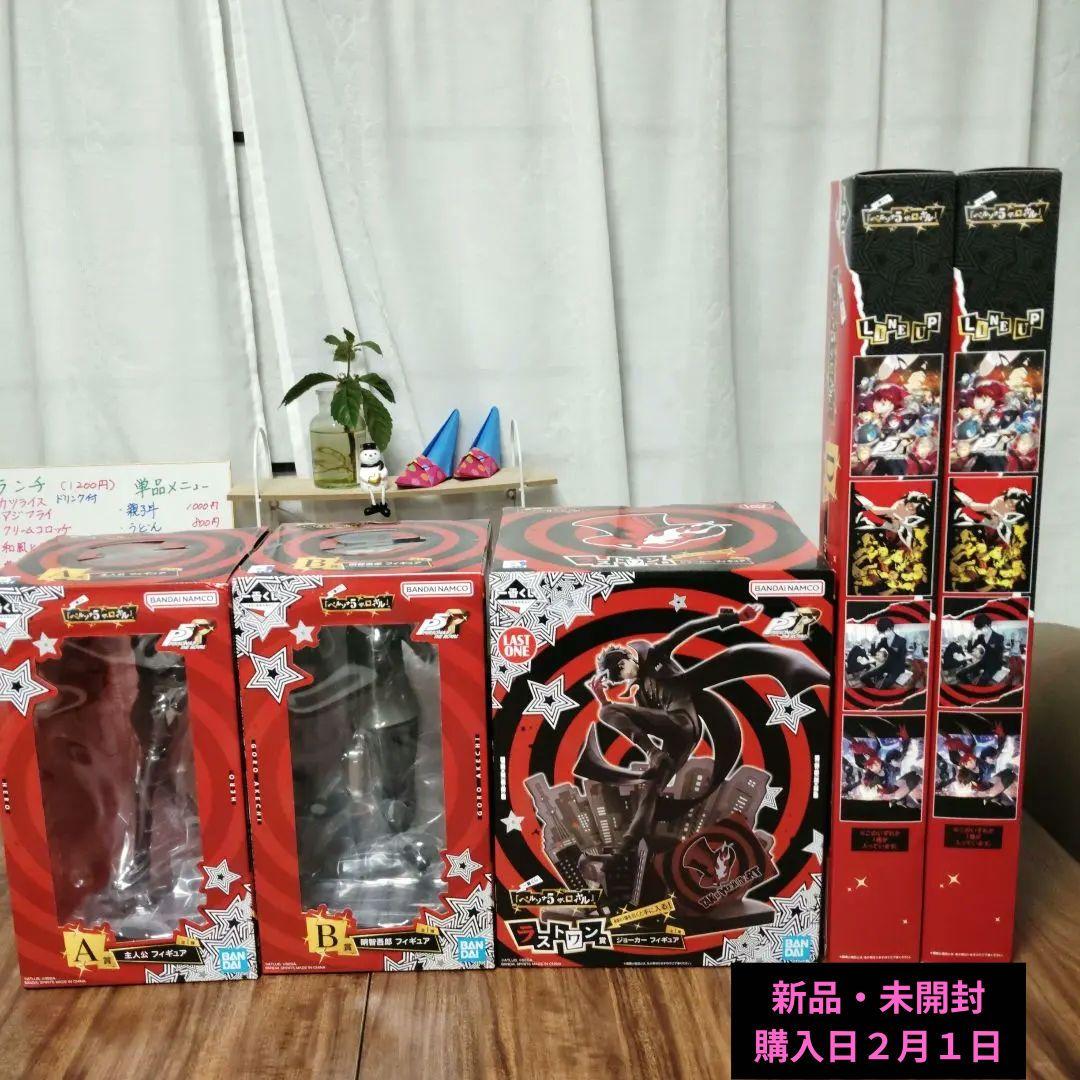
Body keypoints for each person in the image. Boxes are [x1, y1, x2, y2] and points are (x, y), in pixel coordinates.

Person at [578, 604, 828, 851]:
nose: (626, 677)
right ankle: (626, 847)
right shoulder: (641, 694)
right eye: (620, 678)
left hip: (684, 722)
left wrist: (735, 617)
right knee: (650, 790)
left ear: (628, 658)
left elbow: (688, 630)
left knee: (608, 711)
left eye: (623, 670)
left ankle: (654, 756)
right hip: (676, 739)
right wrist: (603, 700)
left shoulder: (655, 656)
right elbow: (640, 723)